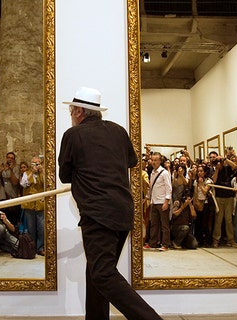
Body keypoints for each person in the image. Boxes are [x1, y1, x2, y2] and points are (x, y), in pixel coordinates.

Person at [58, 87, 162, 320]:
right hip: (123, 213)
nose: (71, 114)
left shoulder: (72, 136)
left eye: (72, 110)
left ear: (80, 112)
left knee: (103, 274)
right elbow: (131, 161)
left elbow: (65, 175)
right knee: (97, 271)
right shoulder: (118, 131)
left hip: (98, 214)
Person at [146, 152, 172, 251]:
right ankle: (152, 243)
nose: (153, 162)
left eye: (155, 160)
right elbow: (151, 187)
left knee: (164, 225)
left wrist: (166, 202)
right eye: (152, 160)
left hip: (162, 201)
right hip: (154, 201)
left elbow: (168, 188)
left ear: (160, 161)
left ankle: (165, 244)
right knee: (154, 224)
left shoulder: (164, 172)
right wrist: (148, 198)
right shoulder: (152, 172)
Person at [20, 155, 45, 255]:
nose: (35, 166)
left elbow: (46, 183)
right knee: (31, 228)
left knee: (41, 228)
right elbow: (23, 184)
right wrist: (32, 174)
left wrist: (42, 171)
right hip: (29, 204)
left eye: (37, 164)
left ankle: (40, 247)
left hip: (40, 204)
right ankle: (32, 247)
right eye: (34, 164)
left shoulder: (43, 173)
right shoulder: (26, 173)